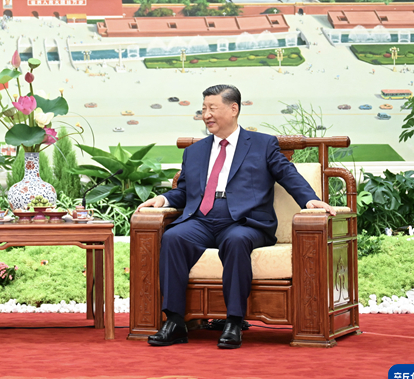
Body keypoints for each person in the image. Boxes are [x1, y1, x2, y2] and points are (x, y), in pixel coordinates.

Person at [137, 84, 334, 349]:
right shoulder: (194, 151)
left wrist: (309, 200)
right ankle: (174, 321)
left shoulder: (262, 144)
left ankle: (233, 321)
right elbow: (184, 191)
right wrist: (163, 199)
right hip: (202, 220)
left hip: (246, 222)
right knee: (173, 238)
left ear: (233, 109)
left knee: (236, 240)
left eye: (212, 108)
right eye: (203, 109)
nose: (206, 115)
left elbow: (287, 174)